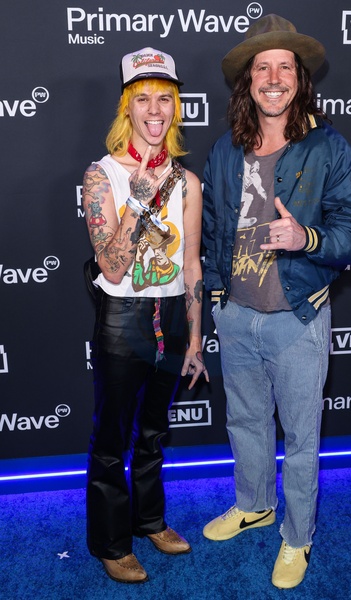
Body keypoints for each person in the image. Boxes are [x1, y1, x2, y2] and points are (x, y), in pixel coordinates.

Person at [202, 14, 351, 590]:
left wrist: (308, 238)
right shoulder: (225, 149)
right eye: (262, 68)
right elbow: (211, 230)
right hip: (236, 316)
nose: (273, 78)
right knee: (244, 422)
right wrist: (218, 298)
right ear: (248, 81)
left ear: (299, 79)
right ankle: (255, 504)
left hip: (298, 318)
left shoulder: (329, 147)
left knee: (302, 439)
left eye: (284, 67)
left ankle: (298, 536)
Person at [82, 46, 208, 584]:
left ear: (175, 108)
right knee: (112, 441)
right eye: (143, 99)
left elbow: (193, 264)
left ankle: (150, 520)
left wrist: (196, 339)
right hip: (122, 317)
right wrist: (136, 202)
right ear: (126, 108)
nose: (154, 110)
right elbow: (112, 268)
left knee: (154, 433)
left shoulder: (188, 182)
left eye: (164, 98)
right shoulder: (101, 176)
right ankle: (111, 543)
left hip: (173, 319)